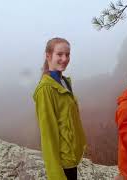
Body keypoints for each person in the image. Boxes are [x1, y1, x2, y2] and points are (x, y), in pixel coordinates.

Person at [33, 37, 86, 180]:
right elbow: (48, 136)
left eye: (67, 54)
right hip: (62, 163)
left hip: (71, 157)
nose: (65, 59)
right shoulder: (45, 90)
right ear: (48, 55)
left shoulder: (63, 81)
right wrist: (56, 175)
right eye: (60, 54)